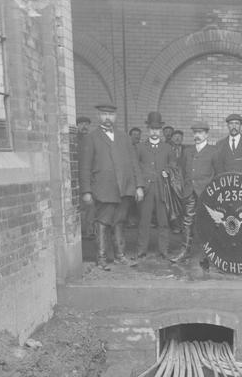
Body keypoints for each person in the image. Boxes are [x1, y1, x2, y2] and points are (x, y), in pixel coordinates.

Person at [78, 102, 142, 269]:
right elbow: (85, 166)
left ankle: (120, 255)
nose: (108, 118)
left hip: (125, 188)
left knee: (120, 221)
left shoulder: (124, 137)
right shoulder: (91, 138)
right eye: (104, 114)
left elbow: (135, 163)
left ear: (115, 117)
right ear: (99, 116)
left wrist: (139, 185)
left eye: (111, 115)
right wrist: (86, 190)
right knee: (103, 222)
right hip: (103, 189)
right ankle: (101, 258)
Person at [170, 120, 217, 264]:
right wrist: (185, 187)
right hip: (190, 192)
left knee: (209, 222)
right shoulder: (187, 151)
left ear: (207, 134)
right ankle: (185, 251)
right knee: (187, 221)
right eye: (195, 133)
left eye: (200, 133)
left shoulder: (213, 151)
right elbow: (182, 171)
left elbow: (218, 173)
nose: (197, 135)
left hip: (207, 193)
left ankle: (210, 254)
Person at [136, 111, 177, 260]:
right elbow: (136, 168)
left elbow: (173, 165)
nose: (154, 132)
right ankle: (141, 251)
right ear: (148, 130)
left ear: (161, 130)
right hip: (146, 190)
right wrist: (139, 186)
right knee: (144, 221)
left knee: (163, 221)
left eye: (157, 129)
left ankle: (163, 250)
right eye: (152, 129)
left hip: (162, 189)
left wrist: (167, 171)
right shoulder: (140, 147)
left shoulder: (167, 148)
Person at [76, 116, 95, 239]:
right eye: (82, 124)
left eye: (87, 124)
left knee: (90, 206)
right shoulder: (73, 140)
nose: (84, 126)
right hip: (76, 178)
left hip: (89, 178)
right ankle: (78, 232)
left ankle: (89, 231)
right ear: (77, 125)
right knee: (78, 207)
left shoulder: (92, 140)